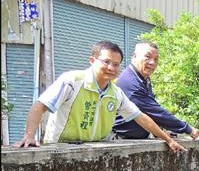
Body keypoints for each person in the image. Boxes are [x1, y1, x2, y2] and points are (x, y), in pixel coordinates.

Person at [14, 40, 186, 152]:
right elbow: (40, 105)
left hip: (94, 151)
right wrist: (29, 136)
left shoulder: (115, 92)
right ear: (92, 60)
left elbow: (141, 118)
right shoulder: (72, 81)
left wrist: (167, 140)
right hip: (61, 149)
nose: (111, 68)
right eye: (106, 62)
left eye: (116, 64)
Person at [112, 41, 199, 139]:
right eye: (147, 57)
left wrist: (159, 132)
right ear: (134, 57)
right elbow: (156, 112)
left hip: (136, 138)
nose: (152, 63)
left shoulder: (143, 78)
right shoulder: (130, 82)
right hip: (121, 139)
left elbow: (148, 111)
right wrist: (187, 129)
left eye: (156, 59)